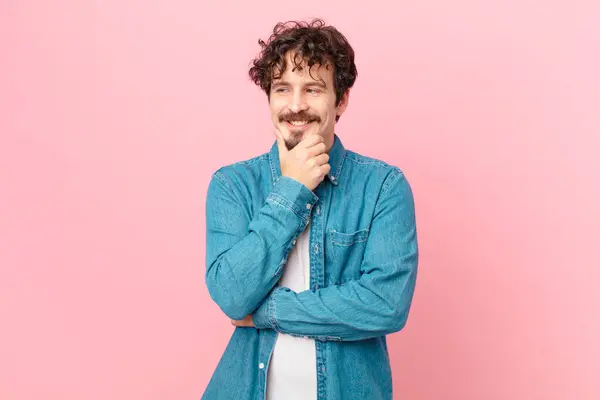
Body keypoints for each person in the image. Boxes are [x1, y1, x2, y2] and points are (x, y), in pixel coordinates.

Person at [201, 18, 419, 400]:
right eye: (283, 88)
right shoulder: (232, 185)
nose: (296, 105)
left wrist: (266, 313)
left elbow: (385, 304)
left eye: (313, 89)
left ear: (342, 99)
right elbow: (232, 296)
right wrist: (292, 189)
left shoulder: (383, 186)